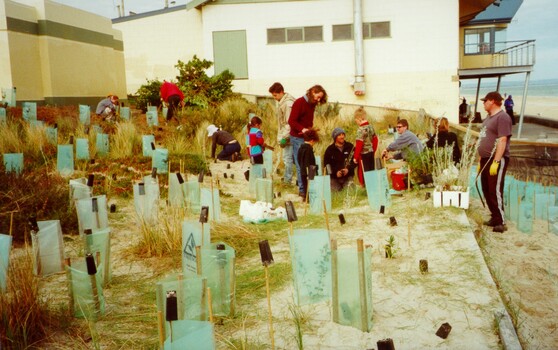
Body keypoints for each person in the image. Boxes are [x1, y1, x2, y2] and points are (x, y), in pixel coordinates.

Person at [478, 91, 512, 233]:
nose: (483, 103)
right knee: (486, 189)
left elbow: (502, 140)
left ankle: (501, 221)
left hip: (496, 158)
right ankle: (495, 217)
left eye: (485, 101)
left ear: (492, 101)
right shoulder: (488, 118)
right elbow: (483, 139)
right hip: (485, 159)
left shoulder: (502, 117)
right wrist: (480, 160)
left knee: (495, 190)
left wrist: (496, 161)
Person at [289, 85, 328, 197]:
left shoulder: (312, 104)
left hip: (306, 137)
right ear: (312, 92)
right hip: (297, 137)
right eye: (317, 96)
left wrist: (310, 130)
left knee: (308, 163)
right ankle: (302, 190)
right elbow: (291, 121)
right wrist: (303, 129)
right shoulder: (299, 102)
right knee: (300, 164)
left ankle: (309, 187)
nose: (318, 100)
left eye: (320, 98)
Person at [269, 82, 296, 184]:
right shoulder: (283, 102)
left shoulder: (288, 104)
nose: (274, 98)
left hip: (289, 135)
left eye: (275, 95)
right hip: (289, 135)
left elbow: (290, 123)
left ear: (281, 92)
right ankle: (289, 178)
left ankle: (288, 180)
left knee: (287, 158)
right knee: (291, 158)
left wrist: (284, 138)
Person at [352, 107, 378, 187]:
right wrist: (373, 150)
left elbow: (359, 144)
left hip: (363, 154)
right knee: (371, 170)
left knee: (364, 171)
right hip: (371, 152)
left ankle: (366, 186)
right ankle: (373, 186)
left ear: (359, 118)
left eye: (356, 120)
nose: (356, 122)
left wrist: (355, 157)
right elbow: (375, 140)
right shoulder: (370, 127)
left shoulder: (360, 130)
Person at [297, 128, 320, 201]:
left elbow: (298, 158)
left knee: (305, 185)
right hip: (309, 171)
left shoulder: (300, 148)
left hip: (302, 170)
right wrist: (314, 169)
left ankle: (306, 198)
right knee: (310, 187)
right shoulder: (309, 149)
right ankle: (309, 199)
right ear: (312, 140)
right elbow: (309, 161)